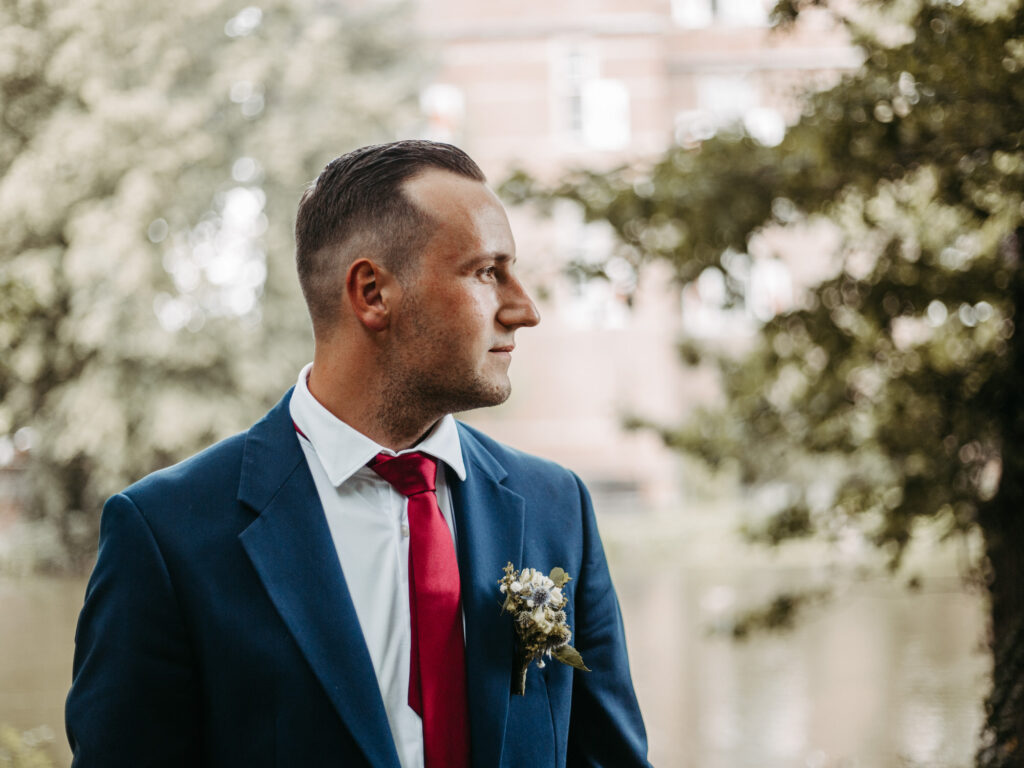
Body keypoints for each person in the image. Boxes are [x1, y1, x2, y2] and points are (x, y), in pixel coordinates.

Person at [65, 140, 651, 767]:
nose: (524, 309)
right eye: (487, 272)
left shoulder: (557, 507)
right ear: (372, 292)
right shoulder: (167, 533)